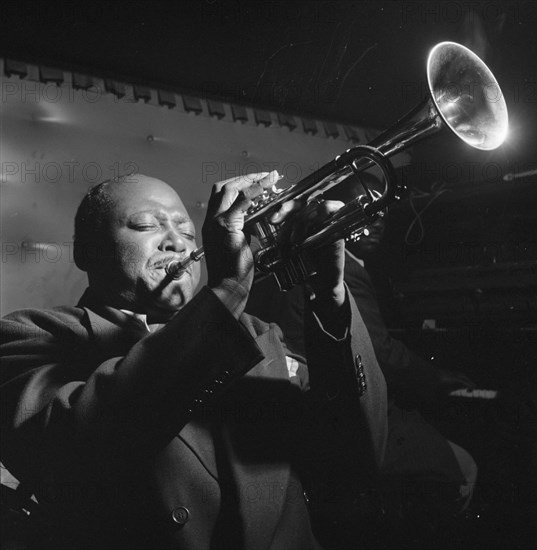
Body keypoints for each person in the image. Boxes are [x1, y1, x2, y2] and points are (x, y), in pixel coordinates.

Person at [0, 172, 388, 550]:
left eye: (188, 233)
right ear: (85, 252)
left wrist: (330, 296)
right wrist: (226, 290)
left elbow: (354, 454)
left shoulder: (256, 334)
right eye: (146, 225)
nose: (177, 244)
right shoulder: (34, 335)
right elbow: (80, 446)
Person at [246, 174, 478, 521]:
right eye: (363, 207)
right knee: (466, 468)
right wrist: (443, 382)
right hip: (338, 418)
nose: (376, 219)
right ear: (337, 212)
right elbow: (382, 354)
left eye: (380, 209)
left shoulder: (286, 265)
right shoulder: (341, 268)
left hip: (299, 411)